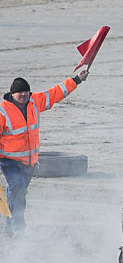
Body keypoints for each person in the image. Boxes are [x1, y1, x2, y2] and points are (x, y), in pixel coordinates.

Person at [0, 71, 90, 237]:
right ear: (12, 94)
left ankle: (8, 226)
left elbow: (56, 93)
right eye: (20, 92)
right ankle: (19, 227)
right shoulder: (3, 111)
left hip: (29, 162)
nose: (24, 95)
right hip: (9, 161)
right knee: (17, 187)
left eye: (26, 92)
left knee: (18, 194)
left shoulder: (35, 102)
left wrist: (76, 80)